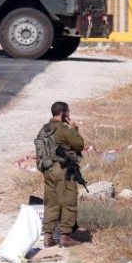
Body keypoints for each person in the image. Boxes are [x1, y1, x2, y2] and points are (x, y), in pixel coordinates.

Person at [34, 101, 84, 247]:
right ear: (63, 113)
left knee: (51, 202)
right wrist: (74, 128)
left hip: (48, 170)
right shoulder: (63, 130)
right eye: (68, 112)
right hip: (63, 170)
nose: (69, 115)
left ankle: (48, 236)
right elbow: (79, 144)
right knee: (68, 201)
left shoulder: (44, 130)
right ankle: (65, 237)